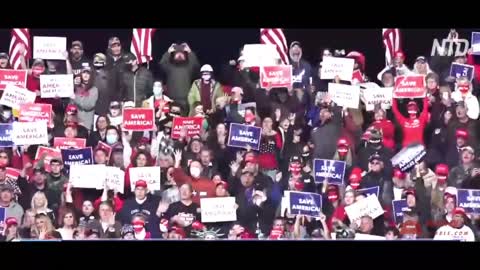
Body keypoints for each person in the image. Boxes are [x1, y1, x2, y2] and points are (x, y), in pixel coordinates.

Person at [160, 43, 199, 114]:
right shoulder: (170, 67)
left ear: (185, 56)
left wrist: (190, 52)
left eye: (181, 54)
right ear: (174, 56)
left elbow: (195, 64)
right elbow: (162, 64)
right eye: (177, 54)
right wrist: (168, 52)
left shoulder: (188, 67)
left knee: (184, 121)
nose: (179, 55)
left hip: (185, 100)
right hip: (172, 99)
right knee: (173, 120)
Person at [70, 66, 98, 131]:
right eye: (84, 73)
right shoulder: (76, 88)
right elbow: (71, 104)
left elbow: (88, 105)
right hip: (75, 122)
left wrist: (75, 98)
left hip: (86, 123)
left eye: (88, 73)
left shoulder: (93, 90)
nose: (85, 75)